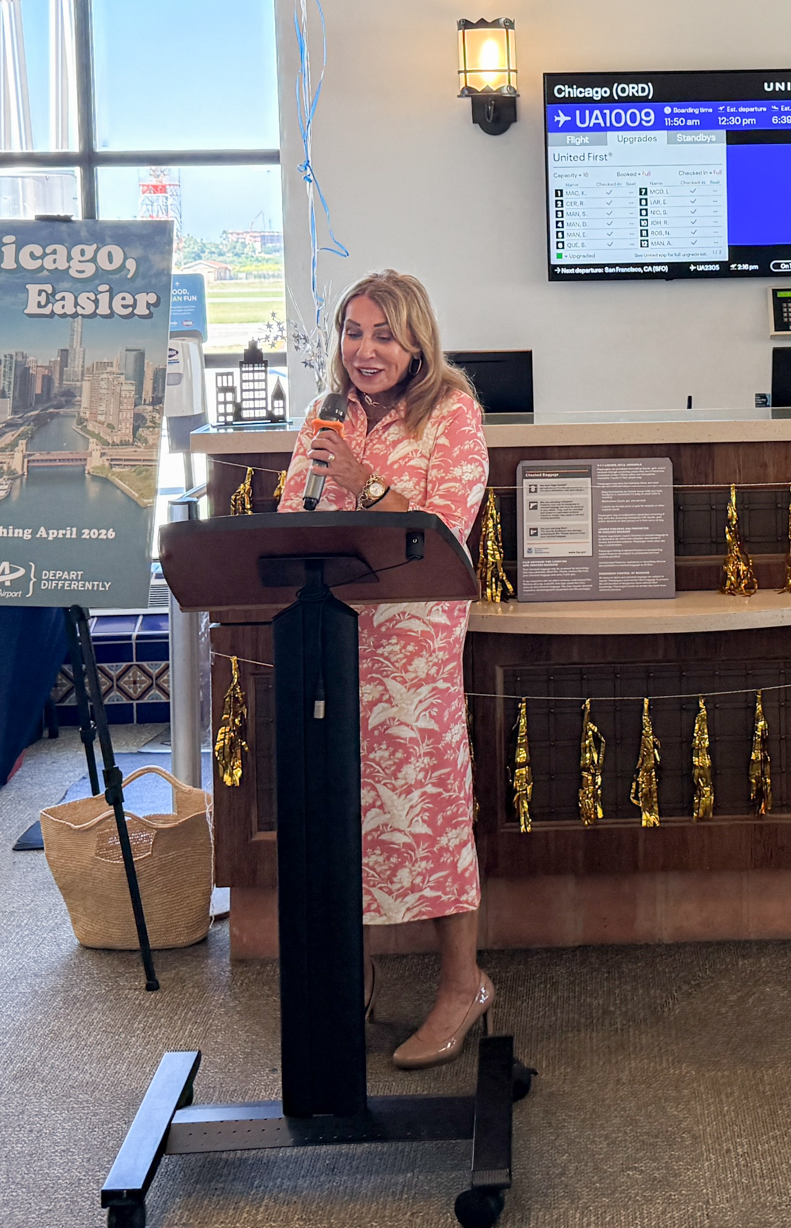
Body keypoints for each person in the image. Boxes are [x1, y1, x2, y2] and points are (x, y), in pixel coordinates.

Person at [279, 269, 492, 1069]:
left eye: (383, 334)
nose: (364, 350)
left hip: (414, 650)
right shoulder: (326, 416)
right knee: (344, 811)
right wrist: (321, 482)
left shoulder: (454, 414)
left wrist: (366, 482)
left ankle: (461, 984)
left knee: (429, 812)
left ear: (415, 345)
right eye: (353, 332)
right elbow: (293, 516)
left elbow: (444, 530)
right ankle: (351, 972)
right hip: (333, 637)